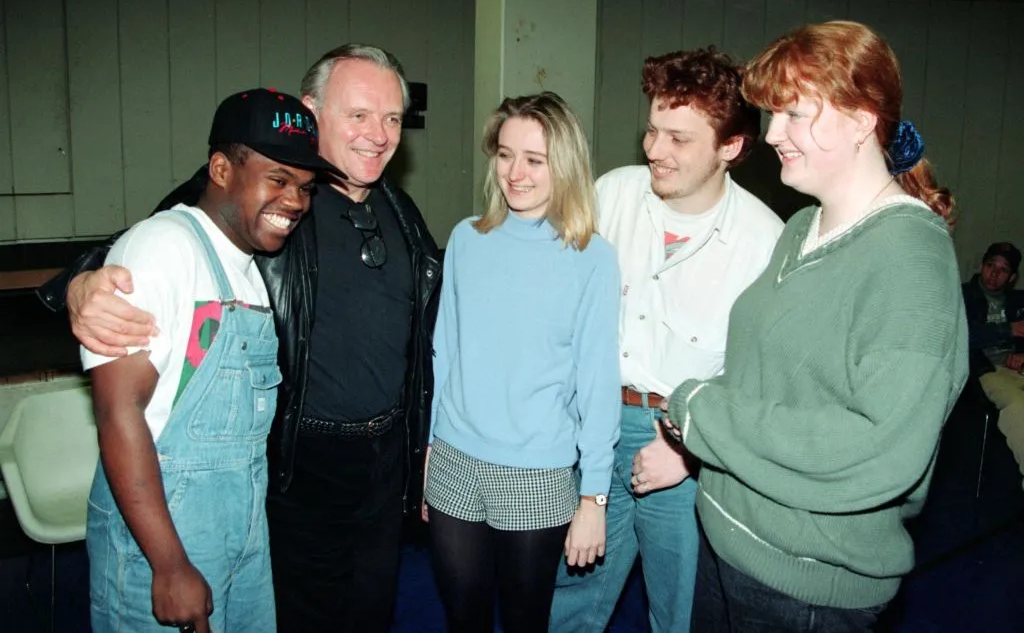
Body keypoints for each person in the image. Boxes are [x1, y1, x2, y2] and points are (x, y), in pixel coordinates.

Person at [38, 44, 442, 632]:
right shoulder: (265, 198)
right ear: (312, 112)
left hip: (381, 475)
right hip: (290, 473)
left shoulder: (402, 213)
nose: (377, 135)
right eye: (357, 115)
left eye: (392, 119)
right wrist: (81, 284)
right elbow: (149, 244)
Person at [661, 20, 968, 632]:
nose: (773, 134)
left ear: (861, 122)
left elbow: (879, 449)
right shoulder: (802, 227)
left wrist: (704, 415)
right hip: (731, 540)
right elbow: (766, 372)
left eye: (795, 114)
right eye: (771, 115)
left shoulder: (910, 260)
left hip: (802, 586)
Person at [84, 88, 341, 633]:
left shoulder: (246, 266)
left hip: (242, 534)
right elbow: (117, 414)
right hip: (161, 540)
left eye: (305, 187)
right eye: (277, 179)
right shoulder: (161, 248)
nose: (295, 201)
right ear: (222, 169)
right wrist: (169, 564)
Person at [549, 48, 784, 633]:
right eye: (653, 130)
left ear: (730, 147)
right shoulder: (615, 193)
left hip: (687, 444)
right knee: (570, 599)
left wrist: (692, 452)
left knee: (681, 614)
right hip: (595, 431)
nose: (655, 149)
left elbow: (763, 383)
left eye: (679, 139)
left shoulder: (763, 242)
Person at [423, 91, 621, 632]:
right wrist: (430, 447)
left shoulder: (592, 259)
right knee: (461, 619)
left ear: (564, 166)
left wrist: (594, 497)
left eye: (534, 160)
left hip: (536, 472)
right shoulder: (467, 239)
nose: (516, 173)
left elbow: (598, 382)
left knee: (524, 621)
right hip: (454, 462)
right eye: (505, 154)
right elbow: (446, 350)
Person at [962, 241, 1024, 477]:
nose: (994, 274)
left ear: (1012, 277)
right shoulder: (964, 296)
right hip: (985, 370)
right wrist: (1007, 329)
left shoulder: (1018, 302)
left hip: (1016, 368)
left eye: (1003, 270)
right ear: (982, 265)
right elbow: (960, 335)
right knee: (1018, 405)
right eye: (991, 265)